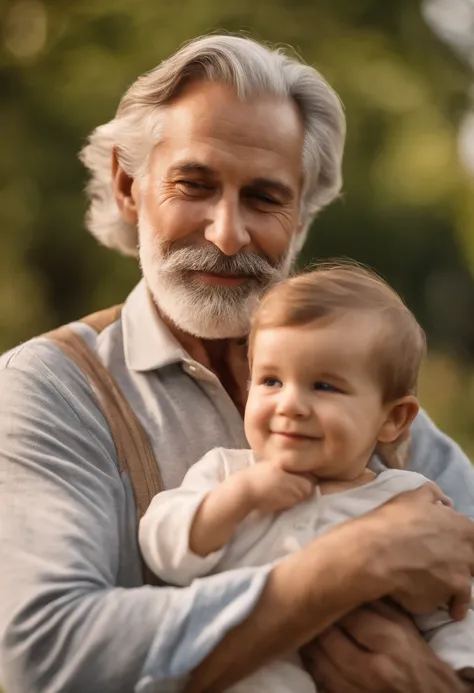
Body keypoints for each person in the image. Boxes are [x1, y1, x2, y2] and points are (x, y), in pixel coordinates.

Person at [0, 33, 474, 693]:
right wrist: (350, 566)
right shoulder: (49, 389)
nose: (227, 234)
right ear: (129, 185)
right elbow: (40, 651)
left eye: (264, 198)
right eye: (194, 185)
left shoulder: (372, 396)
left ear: (302, 215)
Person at [139, 264, 474, 692]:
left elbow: (455, 608)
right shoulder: (226, 473)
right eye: (271, 381)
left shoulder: (407, 501)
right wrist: (236, 500)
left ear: (393, 419)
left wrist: (459, 673)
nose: (291, 404)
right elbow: (161, 548)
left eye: (324, 386)